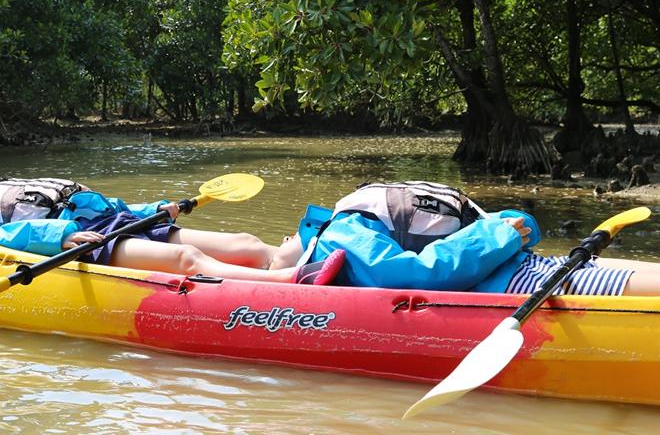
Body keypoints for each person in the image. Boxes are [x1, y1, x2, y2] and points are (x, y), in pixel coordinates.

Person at [0, 160, 345, 285]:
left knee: (246, 239)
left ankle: (296, 255)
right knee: (184, 256)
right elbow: (7, 235)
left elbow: (94, 202)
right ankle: (289, 282)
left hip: (110, 220)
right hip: (83, 240)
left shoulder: (3, 189)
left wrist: (154, 209)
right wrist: (62, 235)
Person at [269, 186, 660, 296]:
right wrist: (503, 232)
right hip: (515, 274)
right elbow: (413, 274)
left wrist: (502, 233)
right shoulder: (338, 234)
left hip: (515, 273)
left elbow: (412, 275)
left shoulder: (339, 227)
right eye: (272, 256)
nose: (282, 240)